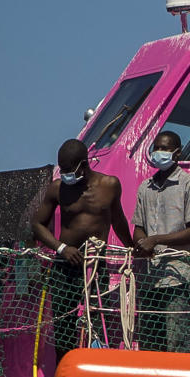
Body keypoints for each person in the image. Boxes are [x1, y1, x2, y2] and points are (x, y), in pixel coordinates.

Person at [31, 138, 134, 365]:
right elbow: (37, 224)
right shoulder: (57, 188)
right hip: (64, 267)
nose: (64, 173)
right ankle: (64, 376)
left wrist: (133, 247)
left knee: (96, 322)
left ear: (83, 164)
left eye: (68, 169)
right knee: (63, 326)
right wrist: (62, 248)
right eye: (62, 169)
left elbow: (118, 221)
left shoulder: (109, 185)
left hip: (96, 267)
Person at [132, 131, 190, 352]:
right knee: (149, 344)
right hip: (149, 279)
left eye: (165, 148)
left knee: (179, 343)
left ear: (178, 153)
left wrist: (155, 240)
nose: (159, 153)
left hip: (179, 278)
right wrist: (142, 244)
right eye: (156, 148)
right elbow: (139, 227)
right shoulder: (145, 187)